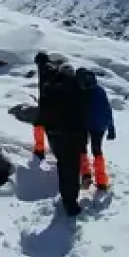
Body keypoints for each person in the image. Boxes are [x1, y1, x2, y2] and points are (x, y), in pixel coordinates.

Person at [35, 63, 91, 217]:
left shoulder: (50, 88)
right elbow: (84, 114)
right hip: (74, 136)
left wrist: (49, 131)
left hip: (56, 136)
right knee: (72, 168)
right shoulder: (79, 90)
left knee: (63, 166)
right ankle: (71, 202)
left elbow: (43, 112)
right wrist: (84, 137)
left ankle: (66, 198)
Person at [76, 68, 115, 191]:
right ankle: (101, 181)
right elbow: (107, 109)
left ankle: (86, 174)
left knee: (81, 148)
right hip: (100, 126)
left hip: (85, 124)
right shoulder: (100, 90)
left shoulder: (81, 91)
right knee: (97, 151)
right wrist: (111, 127)